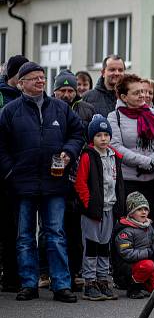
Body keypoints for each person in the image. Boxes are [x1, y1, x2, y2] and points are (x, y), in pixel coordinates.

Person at [0, 61, 84, 302]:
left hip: (55, 184)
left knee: (56, 234)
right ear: (21, 83)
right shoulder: (10, 111)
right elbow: (1, 146)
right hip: (22, 184)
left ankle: (61, 285)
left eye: (42, 77)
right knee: (25, 236)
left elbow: (77, 133)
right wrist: (9, 171)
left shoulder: (60, 108)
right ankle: (28, 284)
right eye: (34, 78)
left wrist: (69, 152)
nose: (40, 81)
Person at [74, 115, 126, 301]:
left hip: (109, 208)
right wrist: (88, 204)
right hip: (93, 210)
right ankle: (89, 282)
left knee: (105, 245)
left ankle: (103, 279)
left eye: (106, 134)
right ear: (92, 138)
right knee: (91, 246)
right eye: (99, 135)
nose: (103, 139)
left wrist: (119, 205)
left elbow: (118, 182)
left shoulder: (114, 156)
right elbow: (80, 183)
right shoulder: (88, 156)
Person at [52, 71, 96, 290]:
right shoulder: (49, 108)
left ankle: (76, 270)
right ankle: (49, 271)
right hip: (54, 175)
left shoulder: (86, 109)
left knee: (75, 227)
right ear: (55, 91)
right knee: (52, 227)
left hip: (79, 175)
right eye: (63, 90)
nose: (67, 94)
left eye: (71, 90)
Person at [108, 74, 154, 219]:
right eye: (136, 93)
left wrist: (153, 160)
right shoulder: (114, 117)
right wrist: (144, 161)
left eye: (143, 91)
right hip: (129, 182)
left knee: (149, 222)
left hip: (153, 179)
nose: (143, 96)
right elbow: (116, 147)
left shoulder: (152, 112)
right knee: (131, 223)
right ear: (124, 97)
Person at [112, 192, 154, 299]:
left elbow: (151, 244)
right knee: (148, 265)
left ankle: (143, 286)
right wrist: (148, 253)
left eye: (146, 209)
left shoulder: (148, 225)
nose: (143, 212)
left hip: (145, 262)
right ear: (131, 212)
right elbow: (126, 253)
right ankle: (133, 288)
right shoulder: (125, 230)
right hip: (127, 267)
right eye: (139, 209)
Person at [0, 54, 27, 292]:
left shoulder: (29, 98)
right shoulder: (2, 96)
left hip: (22, 173)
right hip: (5, 170)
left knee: (17, 227)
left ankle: (12, 275)